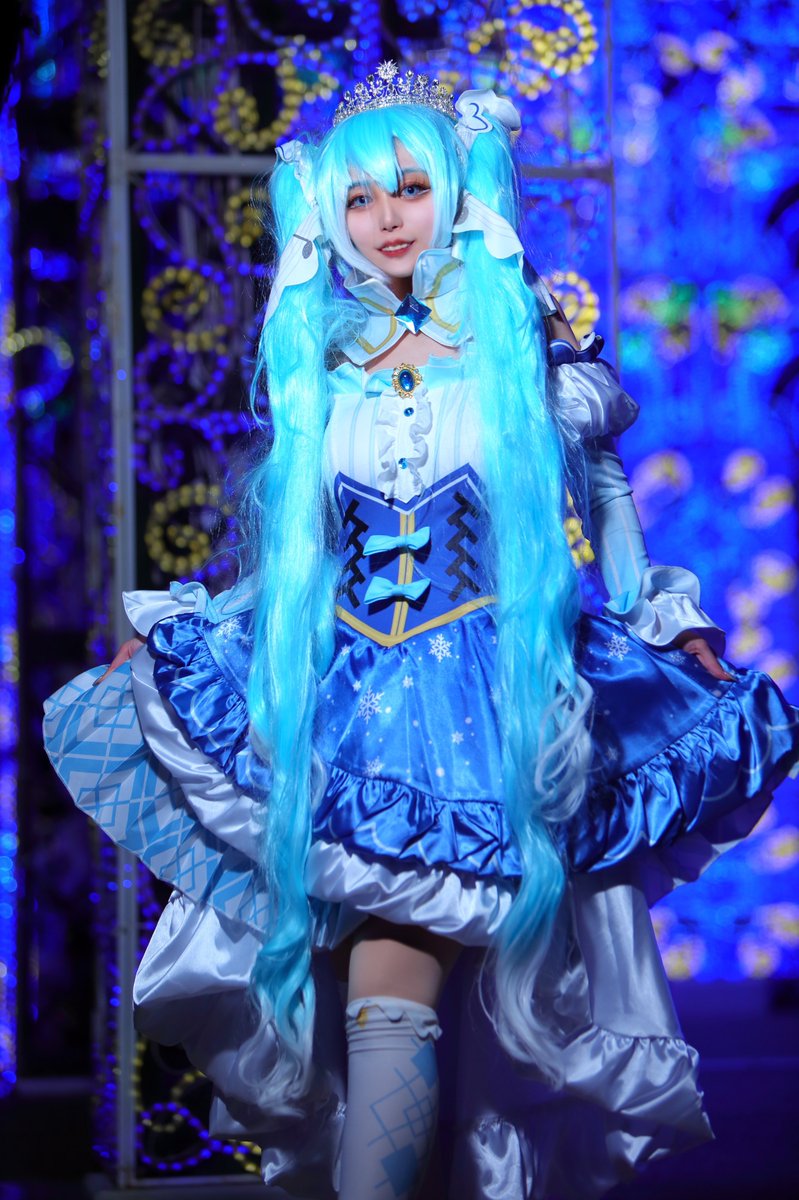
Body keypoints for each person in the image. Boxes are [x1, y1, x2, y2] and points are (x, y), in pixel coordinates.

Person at [44, 62, 799, 1200]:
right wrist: (199, 628)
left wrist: (665, 616)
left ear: (455, 193)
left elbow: (602, 495)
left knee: (401, 997)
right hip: (345, 706)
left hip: (487, 708)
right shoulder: (322, 359)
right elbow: (295, 551)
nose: (386, 219)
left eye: (408, 189)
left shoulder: (521, 342)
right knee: (385, 1012)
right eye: (359, 199)